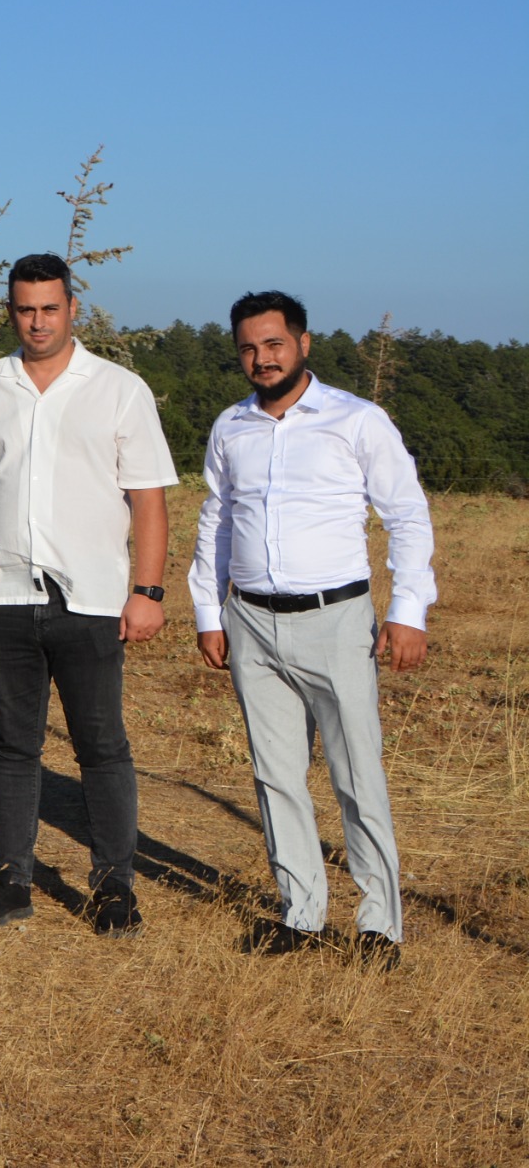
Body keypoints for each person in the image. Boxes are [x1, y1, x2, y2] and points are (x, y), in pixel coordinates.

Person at [190, 290, 435, 970]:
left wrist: (407, 611)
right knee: (275, 777)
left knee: (357, 773)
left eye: (273, 344)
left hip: (336, 619)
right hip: (252, 623)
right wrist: (210, 612)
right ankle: (301, 917)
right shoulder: (230, 427)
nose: (261, 358)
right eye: (248, 347)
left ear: (302, 344)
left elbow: (407, 515)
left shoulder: (357, 422)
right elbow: (217, 519)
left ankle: (380, 925)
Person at [0, 254, 176, 937]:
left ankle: (114, 887)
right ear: (9, 312)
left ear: (73, 308)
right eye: (24, 309)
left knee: (101, 745)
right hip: (3, 592)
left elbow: (149, 500)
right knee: (13, 744)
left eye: (49, 308)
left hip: (94, 597)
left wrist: (148, 591)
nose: (37, 322)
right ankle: (11, 877)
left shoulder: (120, 389)